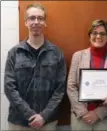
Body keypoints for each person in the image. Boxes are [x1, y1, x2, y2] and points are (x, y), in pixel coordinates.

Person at [4, 3, 66, 131]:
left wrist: (43, 116)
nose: (36, 22)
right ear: (26, 22)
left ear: (45, 22)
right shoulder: (14, 53)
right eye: (32, 18)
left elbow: (60, 89)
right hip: (19, 122)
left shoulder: (57, 54)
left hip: (47, 122)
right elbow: (9, 88)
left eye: (40, 18)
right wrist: (30, 115)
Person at [67, 19, 107, 131]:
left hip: (106, 117)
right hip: (80, 117)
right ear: (90, 35)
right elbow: (71, 86)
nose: (98, 36)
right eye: (94, 33)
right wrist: (83, 112)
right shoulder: (78, 56)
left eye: (102, 33)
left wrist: (98, 114)